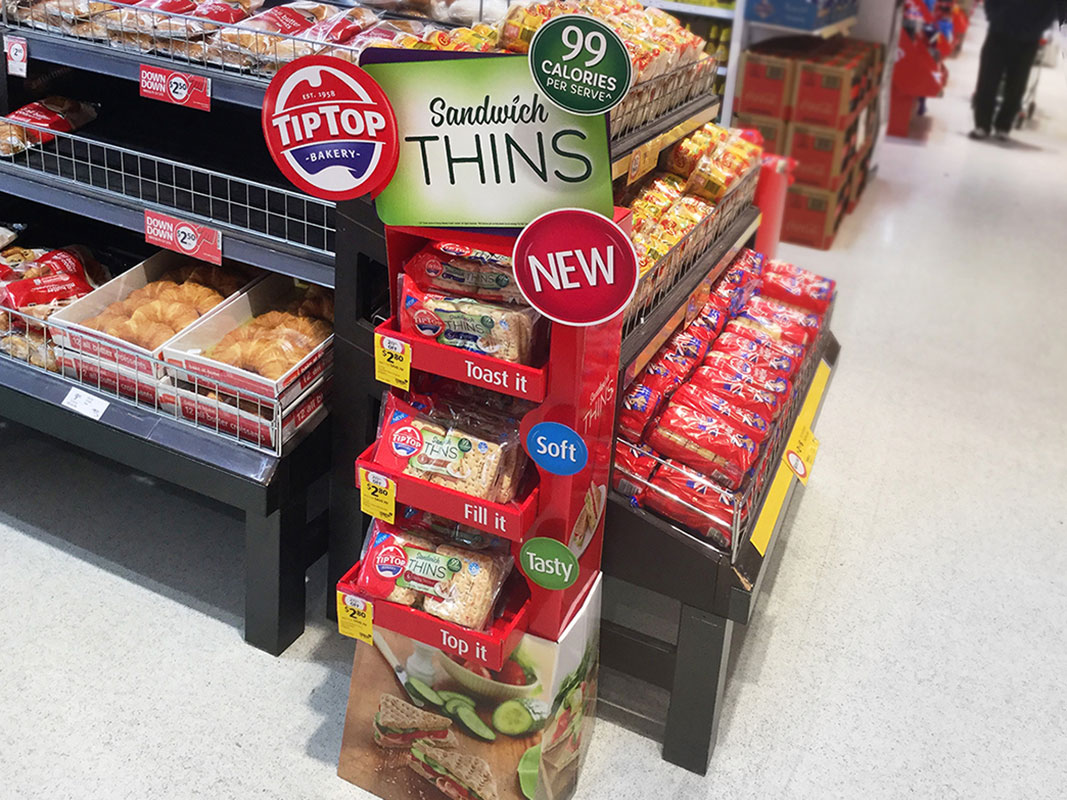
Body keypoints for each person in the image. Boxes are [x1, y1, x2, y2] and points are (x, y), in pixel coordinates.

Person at [970, 0, 1064, 140]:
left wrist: (1037, 28)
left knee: (1017, 84)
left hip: (1028, 39)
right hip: (998, 32)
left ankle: (1004, 125)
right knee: (987, 79)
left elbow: (1055, 7)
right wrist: (993, 16)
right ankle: (982, 125)